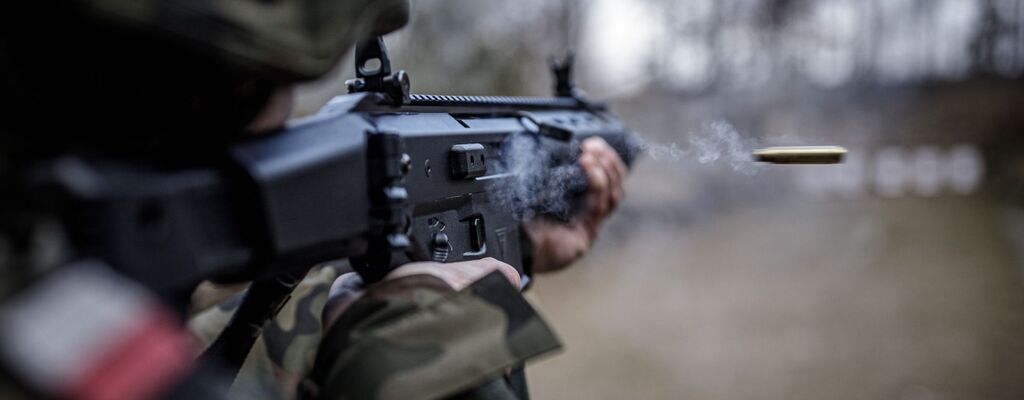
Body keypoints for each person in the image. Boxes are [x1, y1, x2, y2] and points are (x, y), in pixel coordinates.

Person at [0, 0, 627, 399]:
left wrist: (496, 243)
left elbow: (188, 351)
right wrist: (424, 363)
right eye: (272, 87)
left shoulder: (51, 291)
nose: (285, 115)